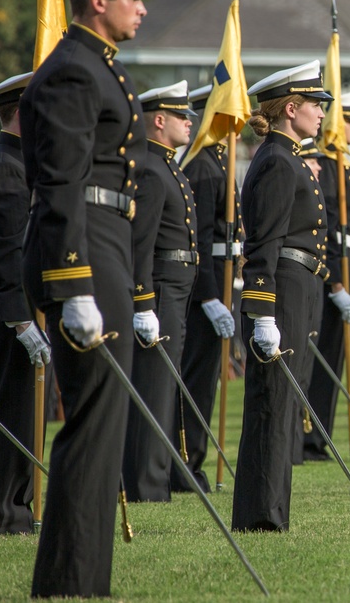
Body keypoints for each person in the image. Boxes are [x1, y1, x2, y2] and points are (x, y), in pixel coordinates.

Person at [20, 0, 157, 597]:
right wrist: (72, 284)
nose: (142, 10)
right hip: (85, 247)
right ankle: (71, 580)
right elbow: (62, 183)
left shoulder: (99, 65)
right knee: (93, 424)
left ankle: (83, 576)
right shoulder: (76, 69)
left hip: (108, 241)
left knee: (105, 426)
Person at [232, 60, 331, 531]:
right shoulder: (276, 160)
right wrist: (262, 311)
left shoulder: (287, 156)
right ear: (291, 108)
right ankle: (262, 516)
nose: (322, 114)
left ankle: (271, 510)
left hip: (300, 286)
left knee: (284, 403)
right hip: (283, 288)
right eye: (316, 105)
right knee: (274, 401)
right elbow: (264, 245)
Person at [122, 81, 200, 502]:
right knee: (153, 386)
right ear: (158, 120)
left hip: (178, 286)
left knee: (165, 384)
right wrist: (143, 302)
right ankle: (145, 484)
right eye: (180, 115)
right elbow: (142, 244)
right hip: (162, 286)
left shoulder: (169, 166)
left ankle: (158, 474)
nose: (189, 123)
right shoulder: (152, 169)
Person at [0, 72, 51, 535]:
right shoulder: (7, 169)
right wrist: (20, 320)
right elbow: (7, 253)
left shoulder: (23, 166)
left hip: (26, 307)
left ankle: (17, 505)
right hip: (11, 314)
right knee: (12, 409)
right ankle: (4, 511)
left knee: (28, 409)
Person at [171, 83, 241, 493]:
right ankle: (185, 463)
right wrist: (210, 294)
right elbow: (197, 238)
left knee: (207, 378)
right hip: (204, 289)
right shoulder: (203, 166)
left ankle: (192, 461)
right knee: (196, 379)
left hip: (219, 281)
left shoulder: (218, 162)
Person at [303, 94, 350, 462]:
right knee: (320, 360)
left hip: (348, 267)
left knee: (334, 360)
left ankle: (318, 436)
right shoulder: (325, 167)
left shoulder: (345, 166)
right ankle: (308, 437)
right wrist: (336, 283)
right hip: (331, 275)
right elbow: (325, 232)